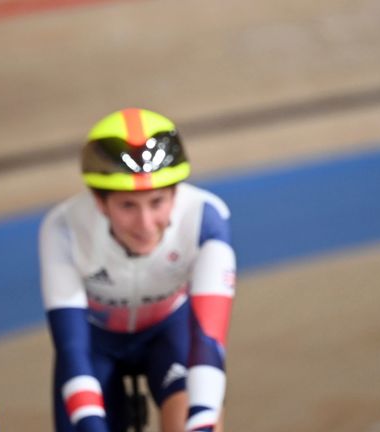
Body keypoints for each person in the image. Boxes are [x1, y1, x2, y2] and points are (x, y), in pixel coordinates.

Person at [39, 108, 236, 432]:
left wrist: (201, 422)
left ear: (176, 195)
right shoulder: (64, 228)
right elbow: (71, 348)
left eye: (157, 202)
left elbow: (209, 342)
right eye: (128, 205)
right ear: (100, 202)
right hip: (93, 343)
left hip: (169, 332)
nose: (145, 225)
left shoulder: (205, 218)